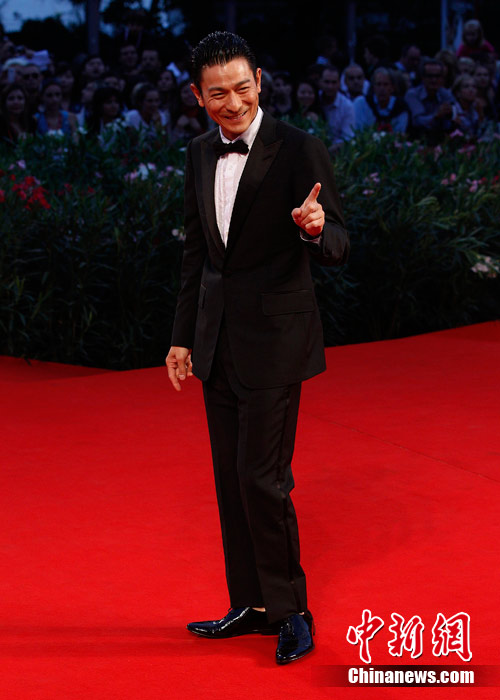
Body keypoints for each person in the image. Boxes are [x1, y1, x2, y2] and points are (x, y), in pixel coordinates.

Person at [165, 30, 349, 666]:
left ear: (260, 82)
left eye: (242, 88)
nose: (234, 102)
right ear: (198, 96)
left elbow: (340, 240)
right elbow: (197, 254)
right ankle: (250, 604)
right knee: (229, 481)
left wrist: (317, 229)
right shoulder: (197, 153)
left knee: (262, 480)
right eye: (218, 93)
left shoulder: (299, 148)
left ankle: (293, 612)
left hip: (275, 343)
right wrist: (182, 336)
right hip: (216, 343)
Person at [405, 59, 456, 142]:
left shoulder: (446, 94)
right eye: (430, 76)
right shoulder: (412, 94)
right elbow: (417, 122)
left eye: (437, 76)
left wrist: (452, 115)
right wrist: (436, 116)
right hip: (416, 139)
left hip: (441, 139)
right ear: (422, 77)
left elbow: (452, 119)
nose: (434, 80)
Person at [354, 67, 409, 133]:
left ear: (392, 87)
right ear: (373, 87)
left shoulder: (400, 107)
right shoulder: (361, 103)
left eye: (385, 84)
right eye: (378, 84)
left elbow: (399, 133)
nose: (382, 89)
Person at [318, 65, 355, 146]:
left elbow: (347, 138)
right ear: (320, 82)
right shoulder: (313, 99)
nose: (330, 86)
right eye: (327, 82)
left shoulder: (347, 106)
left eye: (333, 82)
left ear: (339, 83)